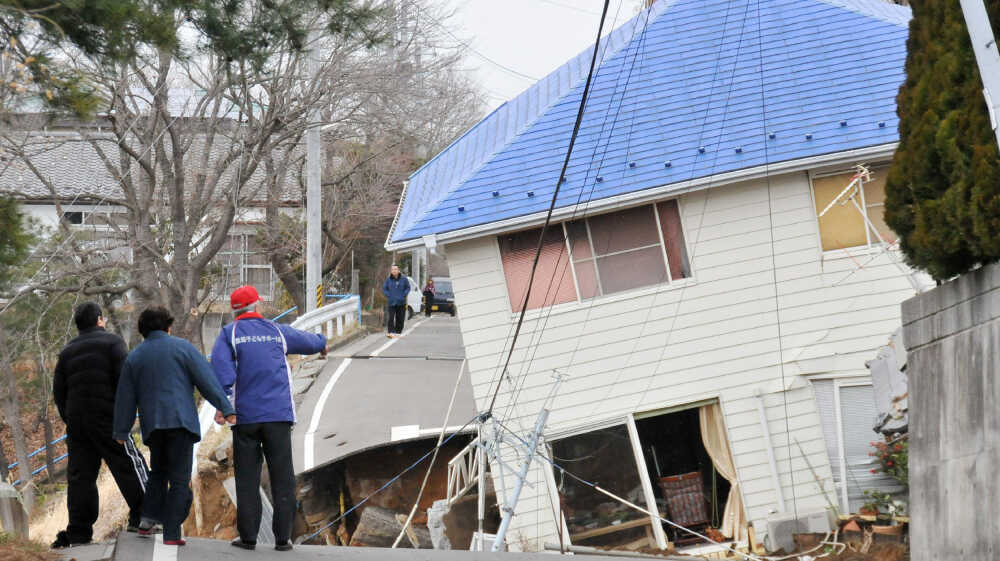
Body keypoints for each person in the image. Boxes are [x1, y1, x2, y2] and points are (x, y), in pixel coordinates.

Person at [211, 285, 327, 552]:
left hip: (245, 418)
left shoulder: (230, 334)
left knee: (247, 478)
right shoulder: (276, 331)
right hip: (278, 416)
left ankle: (249, 537)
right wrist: (322, 344)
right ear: (257, 306)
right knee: (282, 476)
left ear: (234, 310)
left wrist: (221, 405)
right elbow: (308, 341)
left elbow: (222, 373)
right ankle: (283, 539)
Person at [113, 307, 236, 547]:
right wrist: (226, 407)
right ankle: (171, 533)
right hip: (181, 423)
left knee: (158, 473)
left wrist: (121, 430)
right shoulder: (183, 348)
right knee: (179, 479)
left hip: (154, 427)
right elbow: (206, 380)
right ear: (168, 327)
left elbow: (125, 397)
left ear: (143, 331)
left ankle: (147, 520)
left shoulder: (135, 357)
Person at [51, 302, 150, 549]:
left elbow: (59, 391)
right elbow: (125, 380)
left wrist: (70, 418)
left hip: (78, 424)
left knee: (80, 477)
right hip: (109, 418)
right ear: (99, 320)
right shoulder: (113, 343)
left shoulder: (66, 351)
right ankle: (146, 515)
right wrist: (126, 416)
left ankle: (79, 531)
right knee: (127, 464)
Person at [382, 265, 409, 337]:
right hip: (391, 302)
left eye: (395, 269)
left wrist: (404, 294)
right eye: (392, 269)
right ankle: (391, 332)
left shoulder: (404, 279)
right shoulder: (388, 279)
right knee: (391, 317)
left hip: (401, 302)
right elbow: (384, 288)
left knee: (400, 318)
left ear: (398, 270)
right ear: (391, 271)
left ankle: (398, 332)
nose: (394, 271)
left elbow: (408, 287)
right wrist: (389, 295)